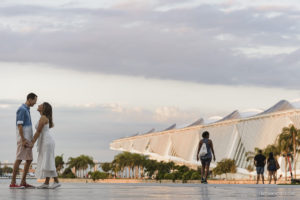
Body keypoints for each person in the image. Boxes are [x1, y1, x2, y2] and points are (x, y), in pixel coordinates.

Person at [28, 102, 61, 189]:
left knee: (48, 161)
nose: (39, 105)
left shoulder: (43, 118)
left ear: (44, 108)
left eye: (41, 105)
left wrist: (32, 143)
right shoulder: (43, 117)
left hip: (47, 141)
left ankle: (56, 181)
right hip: (45, 141)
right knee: (46, 161)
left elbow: (38, 132)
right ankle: (46, 183)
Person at [10, 93, 37, 189]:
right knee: (19, 158)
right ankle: (13, 182)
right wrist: (23, 139)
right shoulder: (22, 109)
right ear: (30, 99)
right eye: (34, 100)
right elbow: (20, 125)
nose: (35, 103)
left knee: (29, 159)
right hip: (23, 139)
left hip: (27, 139)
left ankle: (23, 181)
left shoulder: (27, 110)